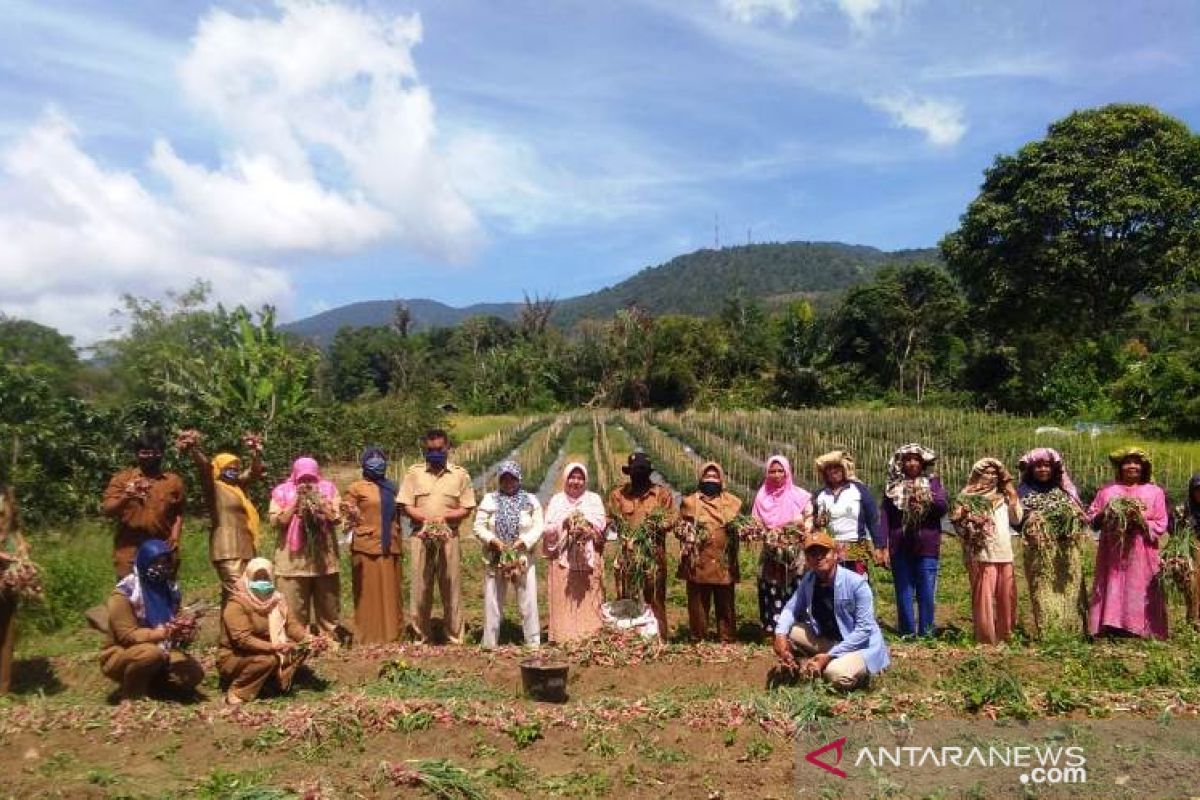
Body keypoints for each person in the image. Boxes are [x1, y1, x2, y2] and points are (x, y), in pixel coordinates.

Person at [773, 532, 890, 690]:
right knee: (790, 630)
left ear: (836, 554)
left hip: (859, 645)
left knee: (835, 674)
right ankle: (801, 664)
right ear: (807, 560)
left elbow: (864, 630)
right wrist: (780, 634)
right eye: (813, 554)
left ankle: (862, 671)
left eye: (824, 552)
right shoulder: (809, 580)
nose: (818, 557)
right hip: (832, 641)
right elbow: (791, 608)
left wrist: (830, 656)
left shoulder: (857, 584)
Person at [100, 539, 204, 701]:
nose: (160, 567)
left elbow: (175, 622)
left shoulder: (170, 591)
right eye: (155, 562)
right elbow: (127, 635)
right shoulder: (124, 594)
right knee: (150, 655)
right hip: (123, 653)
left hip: (163, 649)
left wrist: (184, 631)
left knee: (193, 674)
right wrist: (161, 633)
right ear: (143, 563)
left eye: (165, 563)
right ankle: (131, 695)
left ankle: (157, 688)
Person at [399, 429, 476, 645]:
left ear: (447, 448)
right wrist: (424, 519)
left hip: (448, 536)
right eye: (430, 450)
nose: (434, 453)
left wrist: (444, 518)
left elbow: (466, 508)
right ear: (425, 449)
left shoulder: (460, 475)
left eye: (439, 449)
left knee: (450, 586)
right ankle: (421, 636)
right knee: (420, 587)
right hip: (420, 536)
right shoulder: (414, 473)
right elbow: (405, 505)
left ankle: (454, 636)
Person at [1087, 447, 1168, 640]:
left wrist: (1139, 519)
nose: (1132, 466)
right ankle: (1112, 625)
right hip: (1112, 550)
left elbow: (1161, 523)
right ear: (1120, 467)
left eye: (1136, 462)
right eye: (1127, 462)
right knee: (1113, 583)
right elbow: (1091, 518)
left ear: (1143, 467)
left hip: (1141, 550)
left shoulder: (1155, 492)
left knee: (1139, 586)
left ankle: (1140, 627)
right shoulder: (1108, 491)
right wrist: (1105, 513)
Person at [177, 430, 264, 604]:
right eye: (228, 468)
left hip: (246, 547)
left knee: (233, 596)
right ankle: (240, 630)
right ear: (219, 469)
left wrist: (256, 453)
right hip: (227, 549)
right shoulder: (214, 488)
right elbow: (205, 467)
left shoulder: (239, 488)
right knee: (240, 594)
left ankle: (229, 631)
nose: (233, 471)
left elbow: (254, 471)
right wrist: (194, 447)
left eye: (235, 468)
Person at [219, 558, 314, 704]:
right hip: (237, 656)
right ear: (248, 577)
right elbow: (242, 640)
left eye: (266, 577)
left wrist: (309, 639)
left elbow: (292, 626)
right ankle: (238, 691)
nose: (262, 581)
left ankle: (272, 683)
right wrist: (273, 647)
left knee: (303, 648)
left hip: (269, 649)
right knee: (268, 660)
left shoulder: (277, 600)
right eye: (257, 578)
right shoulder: (237, 604)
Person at [1016, 448, 1088, 638]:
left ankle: (1075, 631)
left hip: (1066, 549)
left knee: (1069, 588)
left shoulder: (1065, 490)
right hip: (1039, 550)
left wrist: (1073, 520)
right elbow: (1015, 520)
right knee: (1044, 590)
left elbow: (1080, 515)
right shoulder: (1023, 491)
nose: (1042, 470)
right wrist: (1031, 521)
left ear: (1054, 468)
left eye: (1046, 465)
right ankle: (1050, 632)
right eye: (1038, 466)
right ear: (1031, 469)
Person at [269, 457, 343, 638]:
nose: (307, 482)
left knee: (328, 604)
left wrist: (320, 503)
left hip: (323, 559)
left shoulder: (328, 489)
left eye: (310, 477)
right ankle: (297, 641)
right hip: (292, 561)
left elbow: (336, 518)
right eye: (302, 478)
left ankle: (329, 639)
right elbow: (276, 522)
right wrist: (296, 501)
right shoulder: (282, 491)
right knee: (293, 605)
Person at [879, 443, 947, 637]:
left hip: (926, 545)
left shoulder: (932, 483)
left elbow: (942, 507)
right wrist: (882, 545)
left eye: (915, 459)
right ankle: (907, 632)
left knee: (926, 590)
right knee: (903, 590)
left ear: (922, 462)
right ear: (901, 464)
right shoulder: (893, 487)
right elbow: (885, 516)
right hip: (900, 545)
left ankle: (926, 632)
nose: (911, 463)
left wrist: (926, 500)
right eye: (907, 460)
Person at [474, 461, 544, 648]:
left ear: (518, 478)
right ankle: (489, 643)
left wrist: (525, 541)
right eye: (504, 478)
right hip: (496, 558)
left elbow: (538, 526)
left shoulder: (530, 500)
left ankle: (533, 642)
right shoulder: (490, 499)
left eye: (512, 478)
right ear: (500, 480)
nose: (508, 482)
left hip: (522, 558)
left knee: (528, 600)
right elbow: (478, 526)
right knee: (493, 600)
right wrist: (492, 541)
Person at [954, 458, 1023, 645]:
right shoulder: (966, 496)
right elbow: (958, 526)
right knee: (983, 598)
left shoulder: (1003, 495)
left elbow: (1016, 520)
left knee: (1006, 596)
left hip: (1003, 552)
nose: (990, 477)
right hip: (980, 554)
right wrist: (965, 519)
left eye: (994, 473)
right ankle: (985, 639)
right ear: (977, 474)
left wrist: (1013, 498)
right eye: (987, 473)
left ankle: (1006, 636)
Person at [607, 452, 677, 635]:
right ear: (629, 472)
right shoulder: (618, 495)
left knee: (654, 598)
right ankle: (630, 639)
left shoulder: (662, 495)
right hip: (627, 557)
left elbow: (671, 519)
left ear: (649, 473)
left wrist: (654, 526)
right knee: (628, 598)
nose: (638, 474)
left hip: (653, 556)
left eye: (642, 470)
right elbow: (608, 519)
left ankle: (659, 638)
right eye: (635, 471)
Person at [101, 429, 186, 578]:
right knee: (128, 596)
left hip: (161, 550)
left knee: (162, 596)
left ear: (162, 454)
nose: (150, 456)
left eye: (155, 452)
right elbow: (108, 510)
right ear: (137, 454)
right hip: (129, 551)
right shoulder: (122, 479)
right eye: (145, 452)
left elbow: (178, 512)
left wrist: (175, 536)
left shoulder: (173, 481)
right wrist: (126, 496)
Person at [343, 447, 404, 644]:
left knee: (391, 593)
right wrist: (350, 515)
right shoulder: (356, 488)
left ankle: (392, 636)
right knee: (368, 593)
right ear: (363, 463)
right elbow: (345, 512)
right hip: (367, 546)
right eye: (371, 459)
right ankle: (368, 637)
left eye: (380, 459)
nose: (376, 463)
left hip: (390, 545)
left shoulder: (393, 487)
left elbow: (400, 515)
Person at [542, 462, 607, 643]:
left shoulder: (593, 499)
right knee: (564, 597)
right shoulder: (557, 500)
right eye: (572, 477)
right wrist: (563, 524)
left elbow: (601, 522)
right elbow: (547, 528)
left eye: (580, 478)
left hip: (587, 556)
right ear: (565, 479)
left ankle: (590, 633)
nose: (575, 481)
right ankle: (564, 635)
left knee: (588, 595)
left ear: (585, 481)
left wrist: (586, 526)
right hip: (563, 557)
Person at [678, 462, 742, 642]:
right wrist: (686, 532)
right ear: (701, 479)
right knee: (698, 601)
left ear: (721, 480)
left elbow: (742, 528)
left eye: (715, 477)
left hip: (724, 559)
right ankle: (698, 637)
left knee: (725, 602)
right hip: (698, 560)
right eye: (707, 477)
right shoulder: (689, 502)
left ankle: (727, 638)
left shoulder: (732, 502)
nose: (711, 480)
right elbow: (679, 526)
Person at [752, 455, 812, 640]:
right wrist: (767, 534)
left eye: (780, 471)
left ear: (787, 472)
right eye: (772, 471)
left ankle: (797, 632)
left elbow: (809, 518)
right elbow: (756, 522)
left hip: (795, 553)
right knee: (772, 588)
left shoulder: (800, 495)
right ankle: (772, 629)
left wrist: (801, 530)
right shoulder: (762, 496)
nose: (776, 475)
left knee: (796, 588)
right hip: (771, 551)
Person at [812, 450, 882, 574]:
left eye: (837, 467)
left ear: (845, 469)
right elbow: (815, 523)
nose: (833, 471)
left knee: (856, 586)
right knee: (830, 587)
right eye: (829, 468)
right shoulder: (820, 495)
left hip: (855, 549)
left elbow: (873, 519)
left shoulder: (859, 490)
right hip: (827, 550)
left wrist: (878, 546)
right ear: (824, 472)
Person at [0, 486, 31, 694]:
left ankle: (3, 688)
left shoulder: (7, 493)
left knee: (6, 629)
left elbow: (15, 528)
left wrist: (22, 548)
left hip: (7, 573)